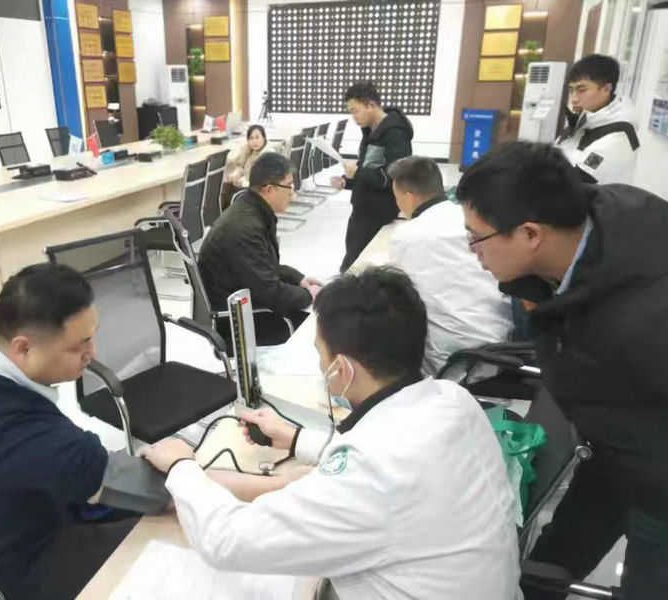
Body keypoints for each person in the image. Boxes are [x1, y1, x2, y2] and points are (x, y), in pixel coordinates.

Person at [141, 267, 522, 600]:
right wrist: (295, 439)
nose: (320, 363)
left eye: (320, 352)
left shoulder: (372, 474)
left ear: (343, 368)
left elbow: (228, 541)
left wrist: (181, 466)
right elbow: (393, 463)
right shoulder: (454, 399)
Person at [456, 141, 668, 599]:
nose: (474, 252)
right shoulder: (604, 214)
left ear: (531, 234)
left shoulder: (639, 321)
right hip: (614, 443)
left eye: (476, 237)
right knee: (549, 562)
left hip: (656, 474)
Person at [0, 263, 168, 600]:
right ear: (23, 348)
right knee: (163, 549)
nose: (93, 354)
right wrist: (182, 463)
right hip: (9, 570)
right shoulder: (42, 443)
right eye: (80, 345)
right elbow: (168, 490)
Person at [387, 156, 512, 375]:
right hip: (502, 343)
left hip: (449, 358)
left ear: (409, 196)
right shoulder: (474, 220)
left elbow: (398, 294)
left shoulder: (406, 236)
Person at [199, 152, 322, 346]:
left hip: (246, 300)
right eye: (289, 185)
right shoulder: (244, 228)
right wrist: (311, 295)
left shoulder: (250, 210)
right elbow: (270, 292)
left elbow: (263, 266)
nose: (292, 192)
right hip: (239, 320)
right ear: (270, 189)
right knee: (322, 326)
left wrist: (298, 279)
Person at [329, 81, 413, 272]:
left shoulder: (396, 134)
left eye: (356, 111)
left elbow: (394, 176)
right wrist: (346, 180)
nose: (354, 117)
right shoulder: (370, 131)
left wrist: (358, 173)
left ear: (371, 105)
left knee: (358, 264)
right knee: (353, 258)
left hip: (380, 210)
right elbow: (368, 166)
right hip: (362, 206)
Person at [555, 54, 639, 184]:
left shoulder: (619, 136)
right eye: (571, 90)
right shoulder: (586, 119)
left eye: (582, 90)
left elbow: (581, 178)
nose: (574, 99)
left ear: (606, 89)